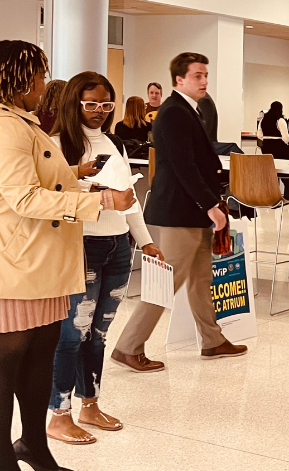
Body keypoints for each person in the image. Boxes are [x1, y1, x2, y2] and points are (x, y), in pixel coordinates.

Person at [0, 40, 135, 471]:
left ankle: (34, 444)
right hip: (20, 264)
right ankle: (3, 465)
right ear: (17, 79)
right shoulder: (7, 127)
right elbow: (21, 198)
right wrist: (98, 201)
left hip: (44, 261)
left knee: (39, 358)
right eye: (38, 75)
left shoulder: (26, 124)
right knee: (8, 368)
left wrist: (79, 177)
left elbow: (44, 182)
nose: (43, 85)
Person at [112, 52, 248, 373]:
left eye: (205, 75)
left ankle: (212, 340)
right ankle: (128, 346)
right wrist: (212, 205)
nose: (204, 81)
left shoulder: (188, 111)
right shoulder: (174, 113)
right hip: (178, 213)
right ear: (179, 80)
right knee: (167, 280)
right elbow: (184, 167)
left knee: (200, 278)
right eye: (197, 75)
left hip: (190, 211)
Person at [48, 72, 164, 445]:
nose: (99, 111)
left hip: (118, 247)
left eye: (106, 104)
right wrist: (90, 187)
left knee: (98, 334)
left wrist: (144, 242)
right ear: (74, 104)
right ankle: (58, 414)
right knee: (72, 334)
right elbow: (52, 197)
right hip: (81, 247)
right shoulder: (57, 145)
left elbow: (128, 197)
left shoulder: (114, 143)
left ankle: (90, 404)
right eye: (91, 104)